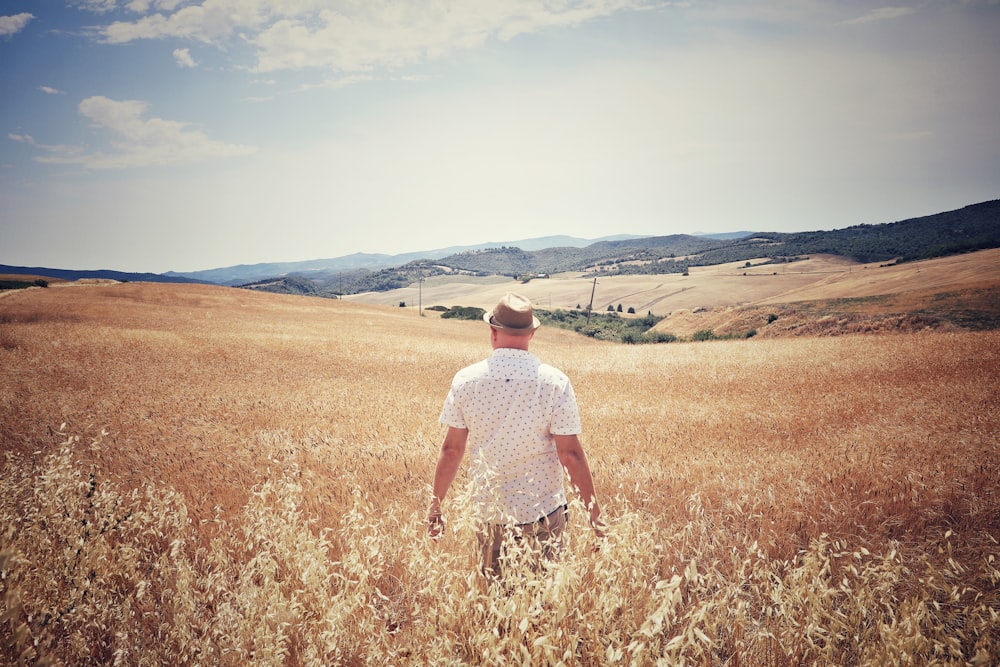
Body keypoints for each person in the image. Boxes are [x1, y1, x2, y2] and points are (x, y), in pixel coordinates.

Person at [427, 292, 604, 580]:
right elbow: (570, 454)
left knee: (496, 602)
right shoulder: (555, 382)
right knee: (544, 601)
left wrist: (435, 506)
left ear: (492, 331)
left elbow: (451, 450)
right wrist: (595, 517)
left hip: (490, 512)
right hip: (544, 511)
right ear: (532, 333)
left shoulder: (466, 380)